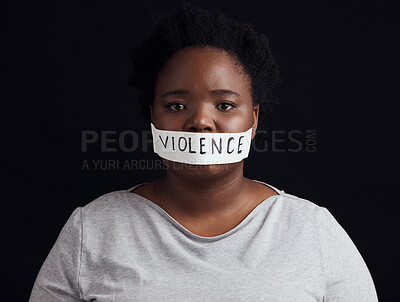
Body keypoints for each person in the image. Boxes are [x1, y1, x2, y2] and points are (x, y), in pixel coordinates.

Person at [29, 3, 378, 301]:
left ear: (253, 120)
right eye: (177, 104)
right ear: (153, 115)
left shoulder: (313, 231)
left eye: (225, 105)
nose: (200, 121)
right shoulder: (92, 228)